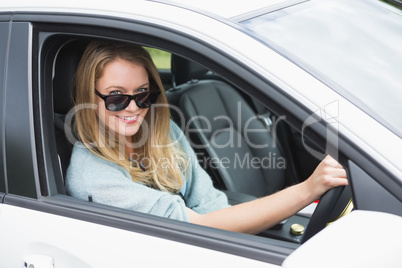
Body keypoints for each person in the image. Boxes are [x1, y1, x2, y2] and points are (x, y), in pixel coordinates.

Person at [66, 40, 348, 235]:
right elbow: (197, 228)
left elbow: (208, 202)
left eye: (143, 94)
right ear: (88, 97)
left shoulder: (162, 132)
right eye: (116, 97)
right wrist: (307, 190)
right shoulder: (93, 177)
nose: (133, 107)